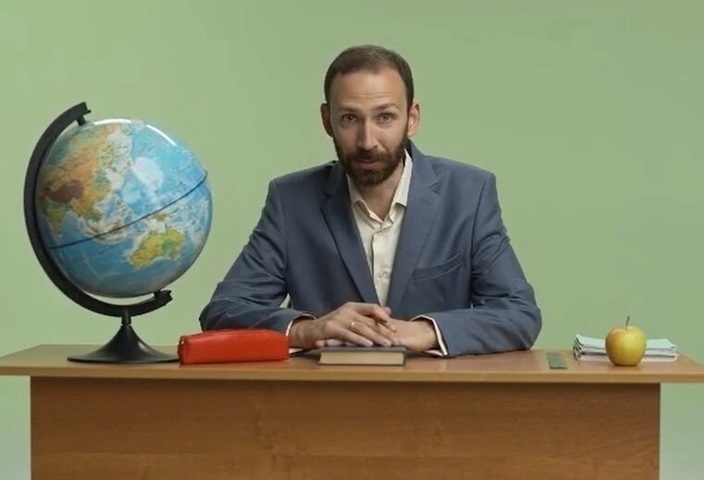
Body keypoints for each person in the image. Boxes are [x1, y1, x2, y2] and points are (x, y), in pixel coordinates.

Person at [198, 44, 541, 357]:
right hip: (326, 398)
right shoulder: (291, 201)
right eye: (350, 118)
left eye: (385, 117)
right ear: (327, 120)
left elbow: (518, 313)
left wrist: (426, 331)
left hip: (435, 397)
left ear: (412, 118)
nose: (367, 140)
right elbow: (224, 311)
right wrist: (307, 330)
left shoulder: (469, 193)